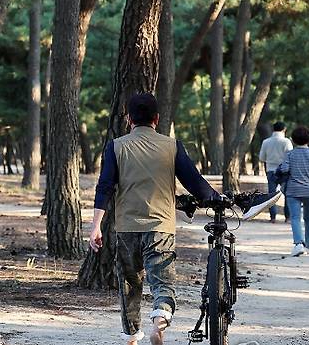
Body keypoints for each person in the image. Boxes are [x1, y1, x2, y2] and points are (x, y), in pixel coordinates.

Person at [89, 93, 280, 345]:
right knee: (162, 282)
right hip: (161, 228)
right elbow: (194, 183)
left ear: (128, 119)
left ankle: (132, 337)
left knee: (129, 284)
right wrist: (215, 198)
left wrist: (96, 227)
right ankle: (159, 321)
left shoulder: (116, 146)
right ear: (157, 119)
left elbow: (105, 187)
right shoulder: (171, 146)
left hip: (127, 228)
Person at [278, 126, 309, 256]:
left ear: (293, 140)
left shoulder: (290, 154)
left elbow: (284, 170)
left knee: (295, 217)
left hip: (293, 190)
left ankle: (298, 244)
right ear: (308, 140)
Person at [259, 121, 293, 222]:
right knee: (287, 194)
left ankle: (273, 217)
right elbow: (290, 156)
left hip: (271, 170)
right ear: (284, 129)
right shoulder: (286, 142)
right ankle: (288, 217)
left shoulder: (266, 142)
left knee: (271, 195)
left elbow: (262, 157)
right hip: (284, 171)